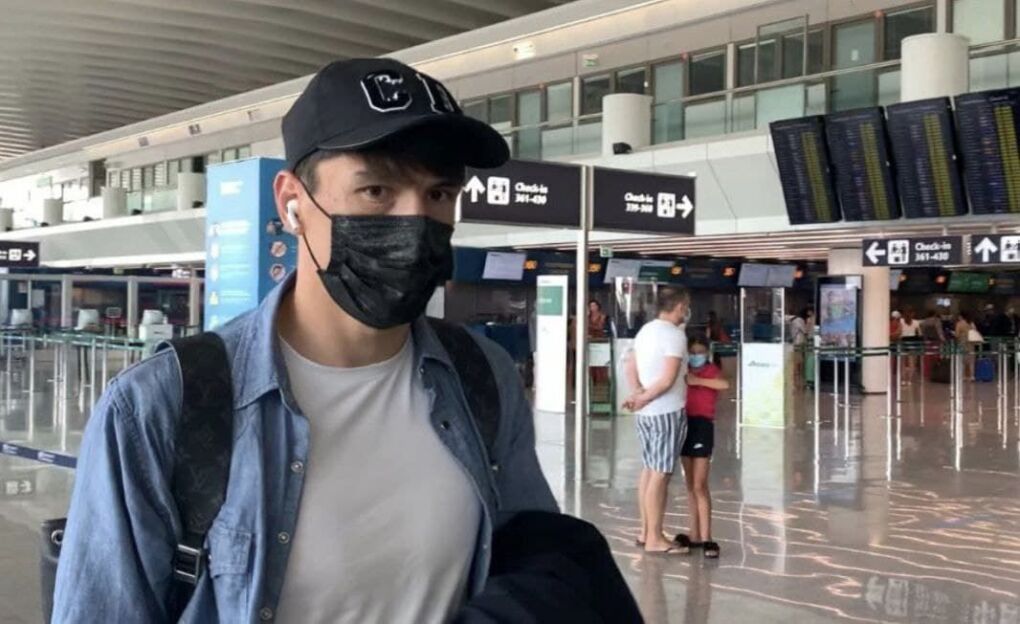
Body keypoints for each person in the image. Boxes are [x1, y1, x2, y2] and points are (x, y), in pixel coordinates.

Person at [53, 58, 636, 623]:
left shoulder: (481, 376)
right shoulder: (162, 406)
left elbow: (532, 561)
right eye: (376, 190)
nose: (414, 221)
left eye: (439, 195)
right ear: (292, 203)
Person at [624, 287, 691, 556]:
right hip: (666, 412)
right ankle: (654, 539)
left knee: (650, 470)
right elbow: (668, 379)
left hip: (646, 414)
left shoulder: (646, 331)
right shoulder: (674, 335)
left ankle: (646, 531)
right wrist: (644, 398)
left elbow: (630, 364)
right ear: (680, 307)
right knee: (660, 475)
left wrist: (637, 393)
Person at [678, 335, 729, 559]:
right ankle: (694, 534)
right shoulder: (683, 371)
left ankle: (708, 536)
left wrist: (697, 381)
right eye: (692, 352)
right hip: (684, 423)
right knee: (690, 485)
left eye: (700, 352)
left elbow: (724, 384)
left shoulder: (710, 371)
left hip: (702, 426)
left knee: (700, 485)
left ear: (707, 353)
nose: (696, 356)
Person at [899, 308, 923, 384]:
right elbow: (920, 333)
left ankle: (903, 379)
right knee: (911, 362)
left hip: (903, 340)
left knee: (902, 361)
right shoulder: (916, 322)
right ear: (913, 314)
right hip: (912, 341)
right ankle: (909, 380)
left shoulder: (901, 321)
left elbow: (900, 332)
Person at [956, 310, 977, 381]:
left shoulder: (959, 324)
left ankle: (963, 376)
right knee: (971, 360)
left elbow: (957, 335)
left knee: (962, 361)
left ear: (961, 316)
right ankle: (972, 376)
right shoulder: (971, 323)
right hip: (971, 343)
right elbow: (975, 332)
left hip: (962, 342)